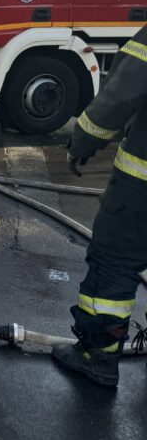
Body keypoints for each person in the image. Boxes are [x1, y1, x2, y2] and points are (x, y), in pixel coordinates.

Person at [55, 24, 147, 387]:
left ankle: (98, 357)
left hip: (139, 189)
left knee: (113, 265)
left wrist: (82, 143)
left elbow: (120, 98)